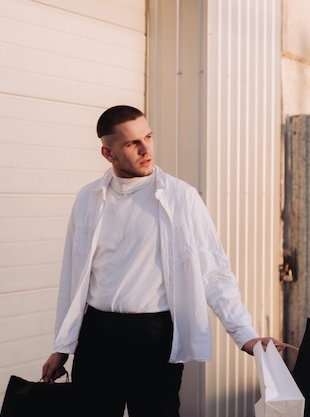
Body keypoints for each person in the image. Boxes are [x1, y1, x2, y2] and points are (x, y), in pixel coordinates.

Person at [41, 105, 281, 416]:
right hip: (97, 336)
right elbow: (72, 278)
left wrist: (246, 336)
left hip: (154, 339)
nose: (146, 149)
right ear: (108, 153)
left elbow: (214, 273)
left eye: (149, 137)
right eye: (132, 143)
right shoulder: (89, 198)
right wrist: (62, 346)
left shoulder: (181, 198)